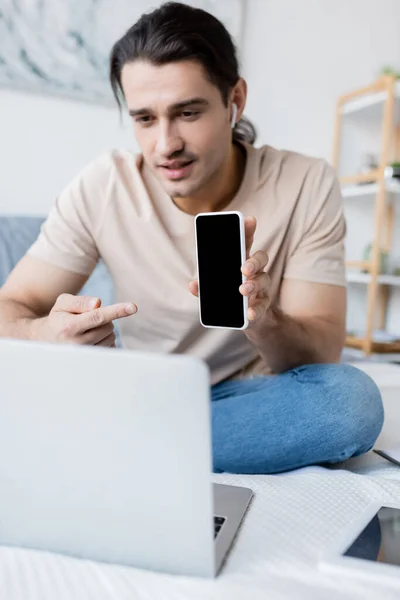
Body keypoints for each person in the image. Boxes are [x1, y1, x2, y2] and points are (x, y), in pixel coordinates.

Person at [0, 2, 383, 474]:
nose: (166, 144)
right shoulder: (103, 187)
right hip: (143, 391)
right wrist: (46, 333)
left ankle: (124, 449)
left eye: (187, 112)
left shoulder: (305, 183)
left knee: (351, 403)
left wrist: (263, 319)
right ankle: (144, 443)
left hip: (247, 396)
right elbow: (10, 307)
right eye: (144, 119)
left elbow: (321, 353)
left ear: (234, 100)